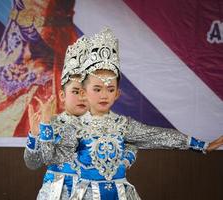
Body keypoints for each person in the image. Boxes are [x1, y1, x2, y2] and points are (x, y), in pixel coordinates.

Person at [35, 28, 223, 200]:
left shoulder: (124, 125)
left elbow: (159, 136)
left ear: (117, 93)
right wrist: (44, 126)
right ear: (84, 92)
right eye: (97, 89)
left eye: (110, 89)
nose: (103, 95)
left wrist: (201, 145)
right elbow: (51, 158)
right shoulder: (73, 126)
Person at [24, 36, 139, 200]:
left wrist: (124, 162)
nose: (83, 98)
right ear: (62, 95)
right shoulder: (52, 124)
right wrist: (34, 135)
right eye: (76, 92)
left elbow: (131, 144)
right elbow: (32, 163)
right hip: (59, 193)